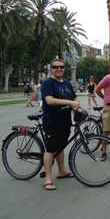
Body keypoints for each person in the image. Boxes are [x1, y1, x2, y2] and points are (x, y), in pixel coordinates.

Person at [41, 59, 80, 191]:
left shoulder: (67, 83)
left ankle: (62, 171)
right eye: (56, 67)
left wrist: (76, 104)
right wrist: (69, 103)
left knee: (60, 146)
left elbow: (74, 97)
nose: (59, 69)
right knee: (51, 149)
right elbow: (50, 100)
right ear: (51, 68)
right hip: (52, 121)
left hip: (65, 120)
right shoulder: (47, 83)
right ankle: (47, 179)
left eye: (62, 67)